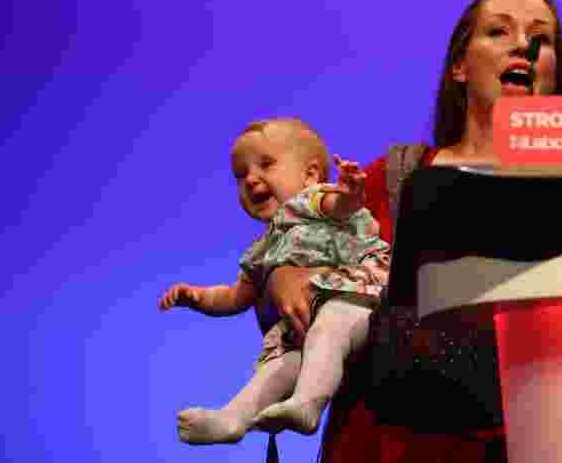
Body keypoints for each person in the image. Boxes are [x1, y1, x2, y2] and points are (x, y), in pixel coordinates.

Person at [265, 0, 562, 463]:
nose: (523, 47)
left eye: (542, 40)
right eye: (500, 31)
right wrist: (284, 273)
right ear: (460, 65)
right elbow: (325, 264)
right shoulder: (399, 176)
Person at [157, 118, 391, 445]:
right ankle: (233, 418)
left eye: (266, 164)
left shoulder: (311, 202)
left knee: (330, 324)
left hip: (354, 298)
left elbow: (339, 207)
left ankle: (308, 403)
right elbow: (235, 296)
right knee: (280, 365)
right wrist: (196, 297)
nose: (251, 179)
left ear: (310, 175)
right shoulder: (265, 249)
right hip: (303, 328)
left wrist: (350, 192)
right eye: (241, 176)